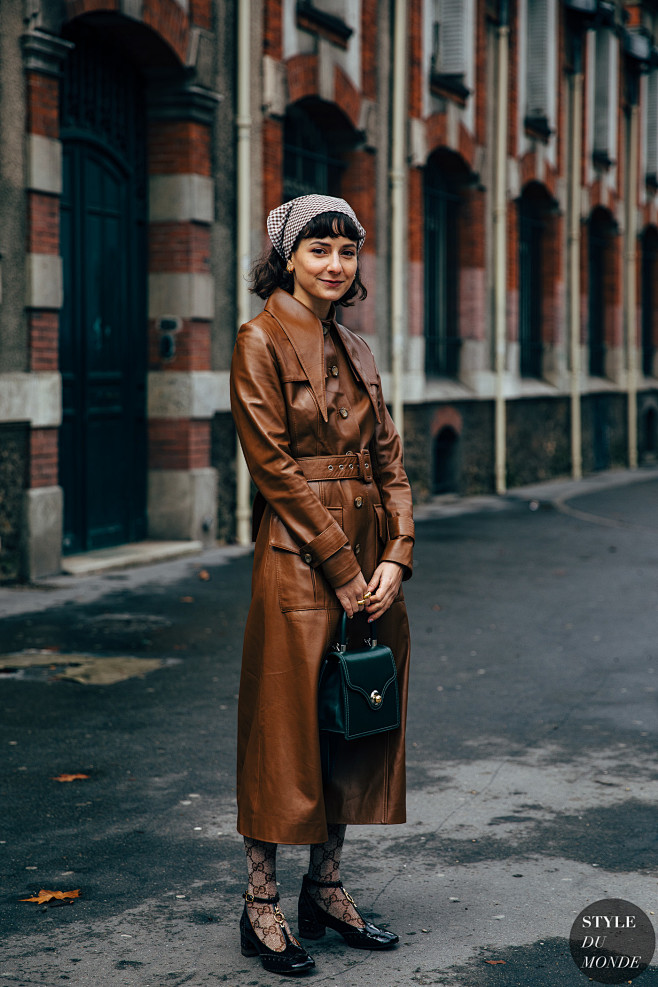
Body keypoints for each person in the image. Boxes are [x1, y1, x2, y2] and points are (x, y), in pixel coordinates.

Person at [230, 194, 414, 975]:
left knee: (354, 718)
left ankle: (326, 887)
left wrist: (396, 557)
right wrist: (344, 567)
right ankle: (261, 903)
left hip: (371, 561)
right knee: (285, 727)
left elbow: (390, 462)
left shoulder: (362, 350)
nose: (335, 264)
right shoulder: (260, 338)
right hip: (299, 558)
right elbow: (271, 465)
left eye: (346, 250)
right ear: (286, 258)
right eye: (318, 250)